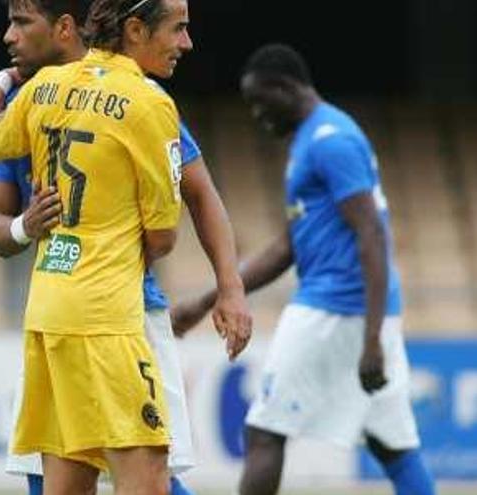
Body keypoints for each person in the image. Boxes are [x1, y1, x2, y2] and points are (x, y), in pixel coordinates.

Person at [0, 1, 251, 494]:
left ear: (65, 28)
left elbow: (202, 193)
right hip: (106, 310)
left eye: (22, 23)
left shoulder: (37, 97)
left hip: (77, 306)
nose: (9, 37)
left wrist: (229, 286)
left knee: (96, 471)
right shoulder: (130, 99)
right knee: (140, 473)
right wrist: (25, 225)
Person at [170, 43, 436, 495]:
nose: (256, 113)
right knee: (393, 444)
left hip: (334, 308)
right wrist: (205, 301)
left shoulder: (331, 141)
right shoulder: (315, 140)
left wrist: (370, 339)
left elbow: (371, 233)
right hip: (362, 311)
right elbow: (288, 246)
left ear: (285, 86)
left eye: (259, 100)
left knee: (263, 431)